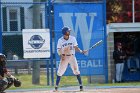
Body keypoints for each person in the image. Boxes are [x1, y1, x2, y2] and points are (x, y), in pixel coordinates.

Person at [55, 26, 87, 91]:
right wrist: (61, 55)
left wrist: (81, 51)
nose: (69, 32)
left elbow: (75, 47)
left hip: (72, 56)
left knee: (76, 70)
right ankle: (56, 87)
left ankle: (81, 86)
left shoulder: (72, 38)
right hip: (65, 57)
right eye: (68, 31)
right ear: (64, 32)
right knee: (60, 72)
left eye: (69, 31)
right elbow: (58, 50)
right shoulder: (60, 40)